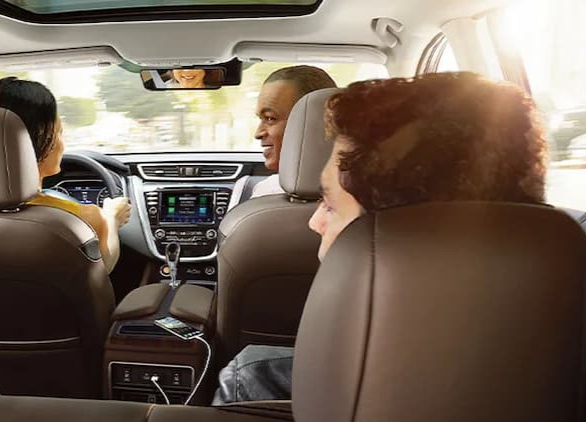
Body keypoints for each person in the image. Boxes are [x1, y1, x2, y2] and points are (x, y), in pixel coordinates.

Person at [213, 72, 548, 404]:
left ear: (401, 237)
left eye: (329, 203)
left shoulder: (255, 380)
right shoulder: (556, 348)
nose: (315, 222)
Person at [0, 77, 131, 273]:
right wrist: (111, 217)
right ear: (40, 140)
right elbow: (104, 266)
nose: (62, 143)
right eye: (59, 132)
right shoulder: (75, 219)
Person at [250, 65, 337, 198]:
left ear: (313, 123)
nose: (258, 133)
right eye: (261, 118)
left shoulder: (266, 194)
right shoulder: (373, 198)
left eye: (270, 118)